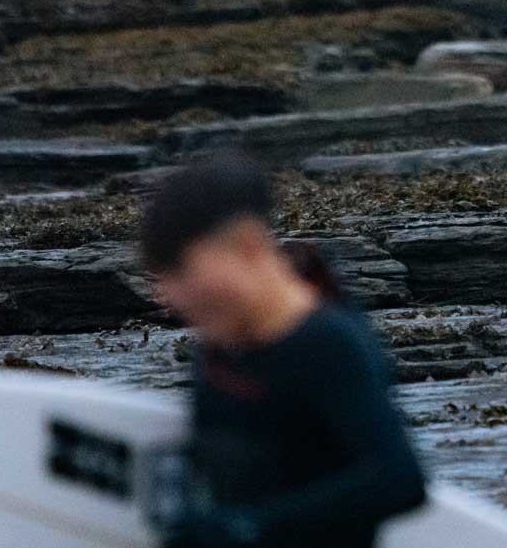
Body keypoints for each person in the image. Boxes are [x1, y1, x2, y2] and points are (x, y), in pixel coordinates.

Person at [137, 151, 427, 548]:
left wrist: (247, 527)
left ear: (248, 245)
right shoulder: (220, 351)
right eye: (166, 279)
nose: (173, 296)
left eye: (184, 273)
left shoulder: (329, 342)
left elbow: (399, 478)